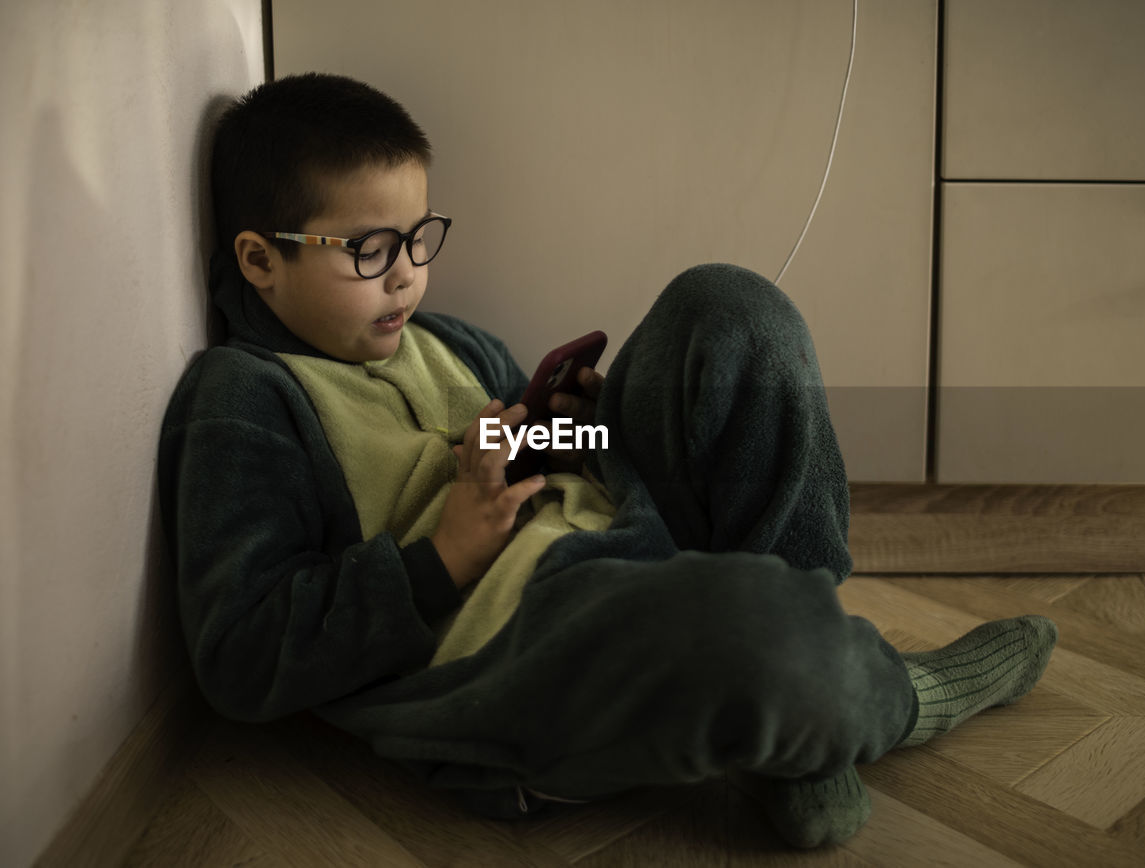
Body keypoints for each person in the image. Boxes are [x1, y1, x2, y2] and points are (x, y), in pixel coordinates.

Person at [158, 72, 1058, 849]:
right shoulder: (246, 398)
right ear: (260, 260)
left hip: (629, 541)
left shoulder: (451, 344)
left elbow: (542, 464)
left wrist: (574, 424)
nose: (405, 275)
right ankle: (888, 696)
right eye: (368, 250)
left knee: (732, 305)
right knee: (748, 625)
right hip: (525, 652)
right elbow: (240, 655)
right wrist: (441, 561)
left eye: (417, 238)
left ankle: (803, 676)